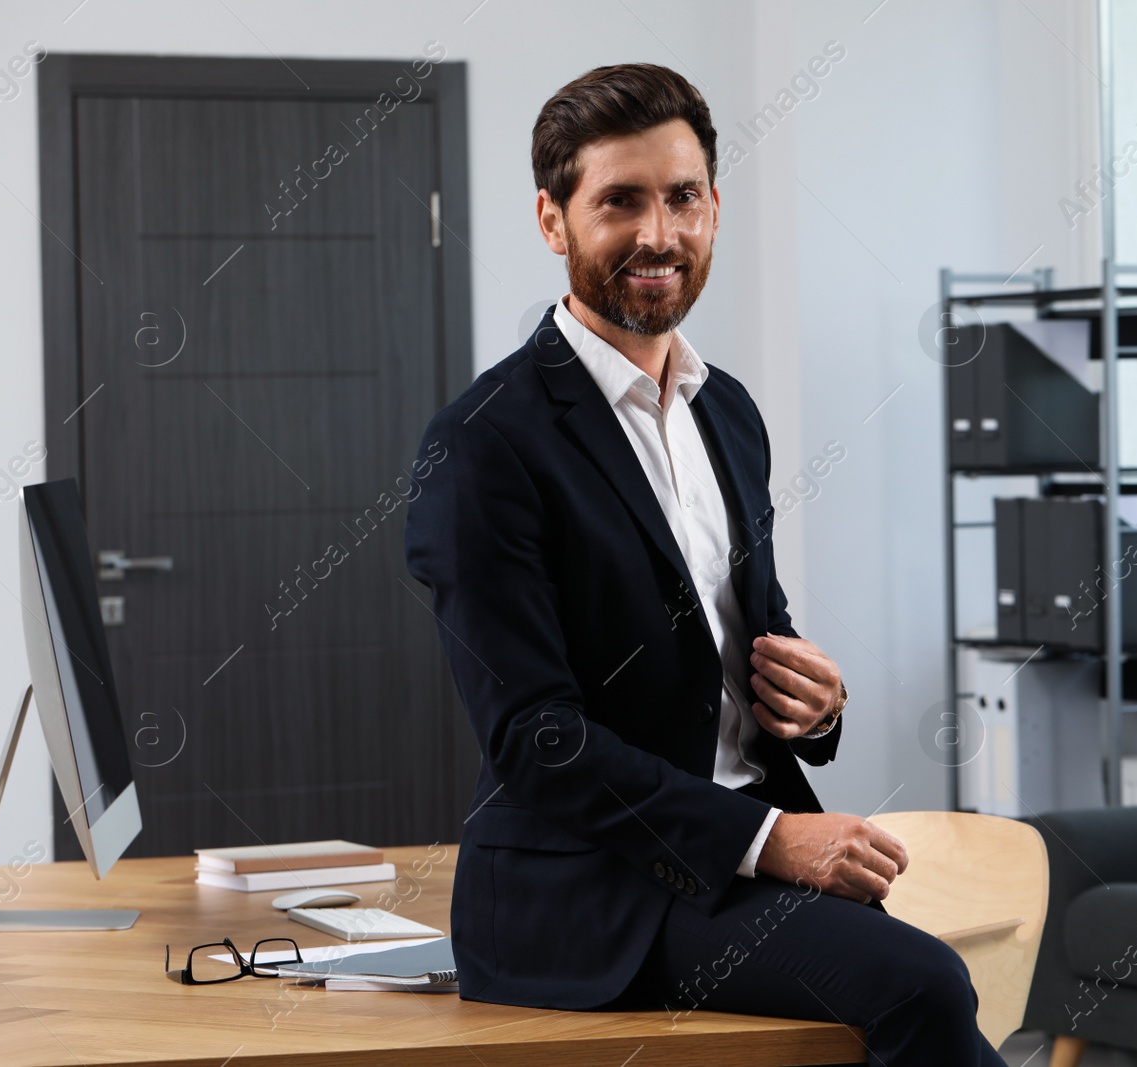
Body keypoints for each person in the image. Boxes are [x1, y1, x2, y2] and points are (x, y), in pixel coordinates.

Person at [404, 62, 1004, 1065]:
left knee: (923, 980)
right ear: (553, 221)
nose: (658, 234)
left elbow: (747, 647)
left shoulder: (726, 412)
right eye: (620, 202)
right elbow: (533, 737)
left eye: (682, 198)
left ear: (714, 207)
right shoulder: (482, 441)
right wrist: (774, 840)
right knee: (921, 984)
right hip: (590, 893)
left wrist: (815, 705)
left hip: (727, 862)